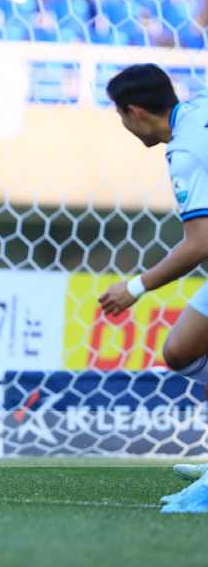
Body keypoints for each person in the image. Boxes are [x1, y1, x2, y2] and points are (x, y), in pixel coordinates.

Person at [96, 64, 208, 513]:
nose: (124, 126)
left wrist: (135, 287)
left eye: (120, 116)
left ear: (136, 112)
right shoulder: (198, 109)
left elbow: (199, 243)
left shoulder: (184, 153)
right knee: (182, 351)